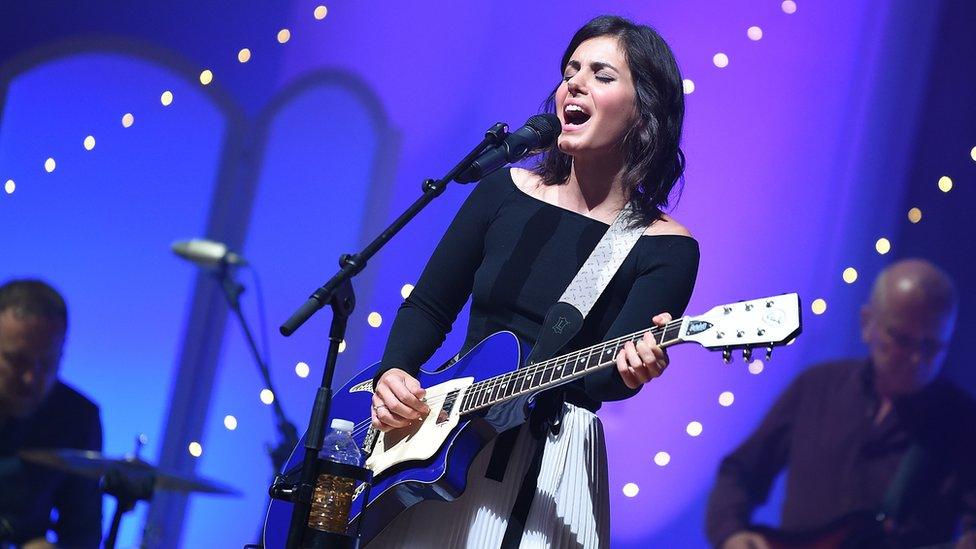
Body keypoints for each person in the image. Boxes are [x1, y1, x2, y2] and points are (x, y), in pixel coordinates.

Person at [367, 15, 699, 548]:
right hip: (446, 440)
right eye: (571, 69)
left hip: (553, 455)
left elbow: (601, 382)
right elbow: (429, 305)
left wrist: (635, 370)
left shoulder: (665, 246)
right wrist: (394, 374)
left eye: (602, 74)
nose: (576, 82)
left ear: (645, 112)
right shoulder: (504, 191)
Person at [705, 259, 976, 549]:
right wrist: (732, 534)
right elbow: (740, 472)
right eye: (901, 339)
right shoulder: (817, 386)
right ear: (867, 323)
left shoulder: (964, 423)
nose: (916, 358)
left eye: (931, 345)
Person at [0, 280, 102, 548]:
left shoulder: (78, 417)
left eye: (47, 362)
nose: (31, 378)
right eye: (16, 360)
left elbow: (84, 533)